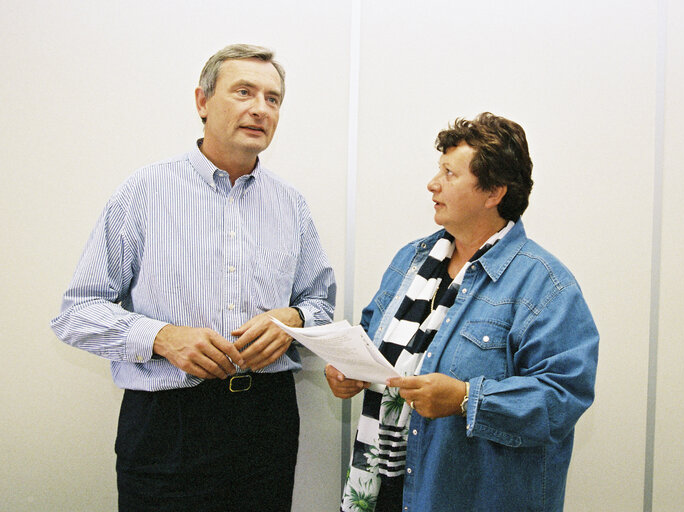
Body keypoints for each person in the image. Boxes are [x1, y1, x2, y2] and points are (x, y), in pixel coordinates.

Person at [51, 44, 336, 512]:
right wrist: (161, 336)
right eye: (244, 91)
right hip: (169, 426)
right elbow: (76, 313)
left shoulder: (292, 205)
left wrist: (296, 318)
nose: (260, 109)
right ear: (202, 102)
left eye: (273, 98)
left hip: (267, 419)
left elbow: (319, 304)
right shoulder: (145, 191)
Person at [325, 112, 598, 512]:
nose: (433, 184)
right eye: (439, 169)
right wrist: (348, 371)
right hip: (386, 488)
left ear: (493, 193)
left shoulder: (546, 285)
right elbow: (371, 341)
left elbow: (563, 397)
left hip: (468, 496)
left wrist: (467, 399)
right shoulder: (412, 260)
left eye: (450, 174)